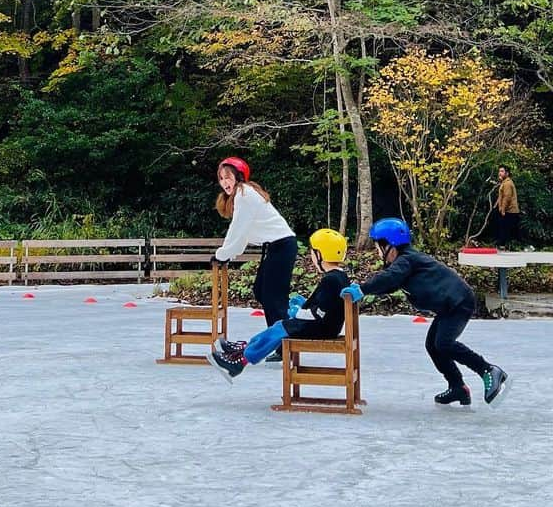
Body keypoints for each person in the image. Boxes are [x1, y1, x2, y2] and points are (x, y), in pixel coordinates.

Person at [342, 218, 509, 407]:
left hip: (459, 303)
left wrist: (363, 289)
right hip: (448, 306)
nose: (377, 252)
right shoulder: (402, 263)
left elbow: (389, 278)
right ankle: (457, 387)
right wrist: (364, 290)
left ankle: (488, 370)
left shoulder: (407, 260)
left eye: (379, 246)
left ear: (390, 245)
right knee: (433, 345)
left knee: (443, 343)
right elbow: (389, 283)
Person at [207, 228, 349, 381]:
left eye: (313, 252)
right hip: (326, 326)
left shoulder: (331, 280)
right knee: (278, 327)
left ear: (320, 254)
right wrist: (303, 303)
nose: (311, 256)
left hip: (321, 328)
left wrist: (297, 313)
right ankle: (243, 350)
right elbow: (326, 304)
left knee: (278, 329)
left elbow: (319, 312)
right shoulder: (339, 277)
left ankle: (241, 360)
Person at [212, 157, 298, 347]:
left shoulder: (244, 193)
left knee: (273, 297)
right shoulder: (241, 195)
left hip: (282, 246)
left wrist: (222, 255)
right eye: (221, 179)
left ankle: (282, 342)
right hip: (274, 247)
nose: (225, 183)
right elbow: (242, 233)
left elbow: (237, 229)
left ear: (239, 177)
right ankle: (284, 326)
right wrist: (228, 255)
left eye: (228, 177)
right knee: (261, 291)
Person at [495, 165, 522, 247]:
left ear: (507, 173)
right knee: (504, 229)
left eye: (502, 171)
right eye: (499, 171)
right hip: (507, 210)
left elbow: (507, 197)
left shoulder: (507, 184)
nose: (500, 173)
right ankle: (503, 245)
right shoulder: (504, 182)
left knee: (505, 230)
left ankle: (503, 246)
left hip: (509, 211)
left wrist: (503, 210)